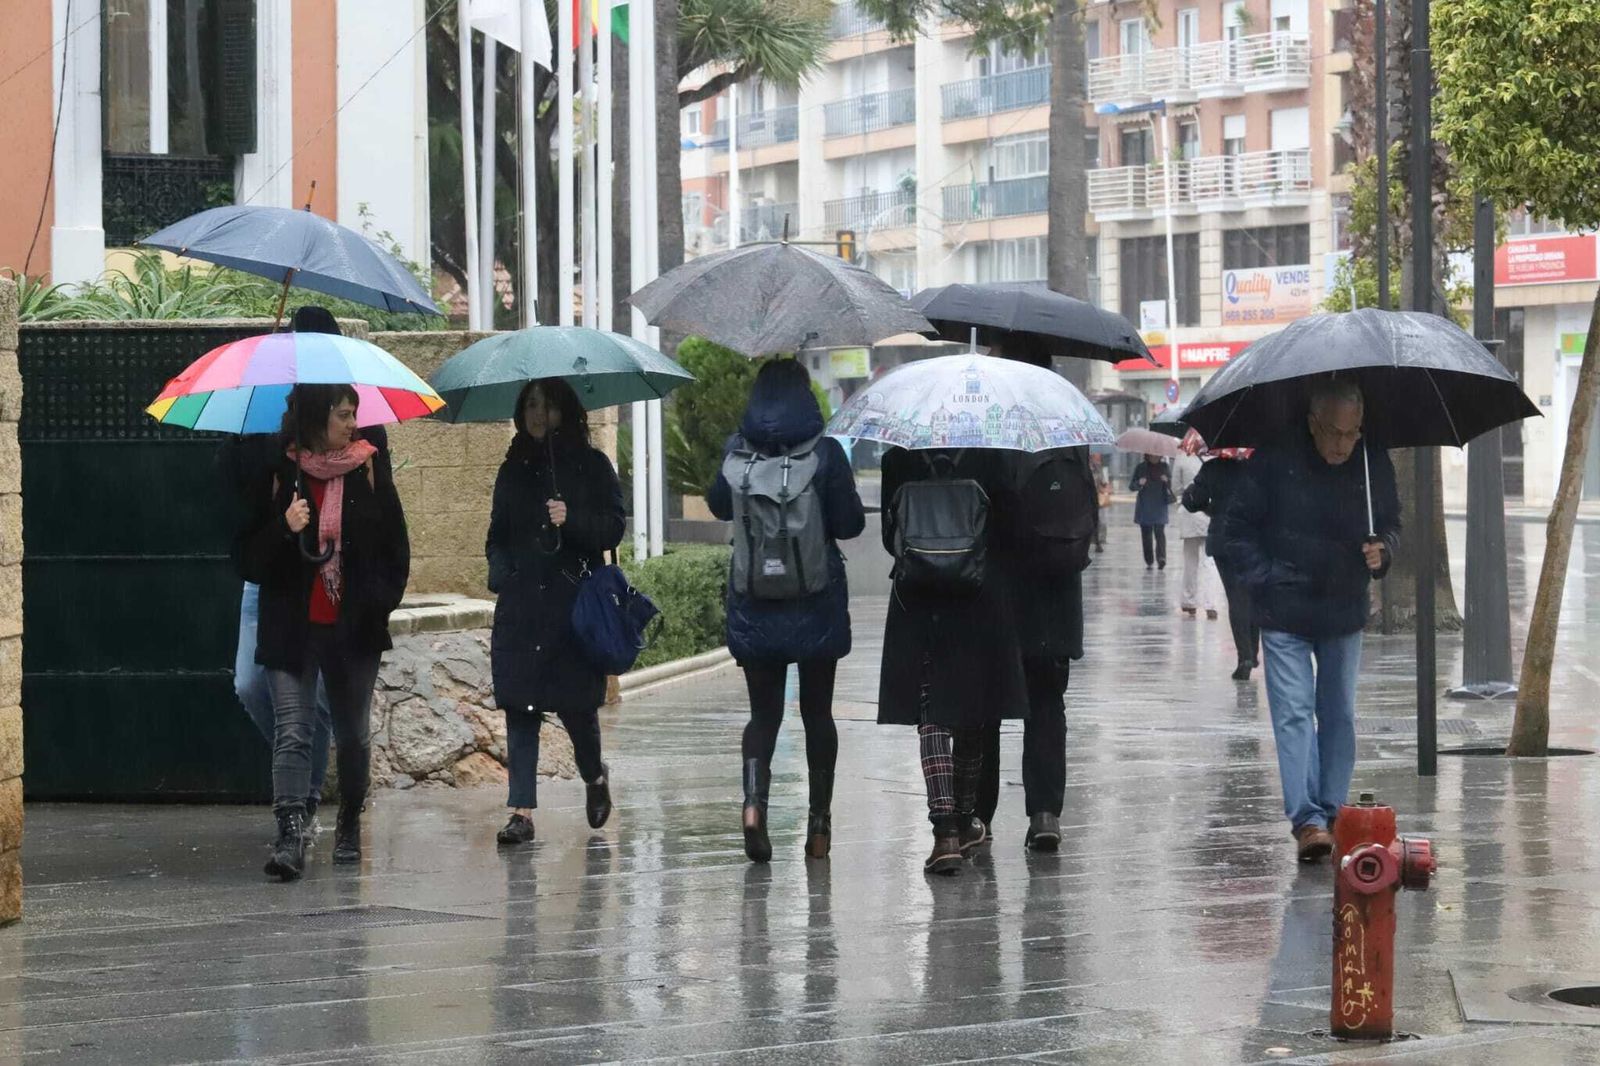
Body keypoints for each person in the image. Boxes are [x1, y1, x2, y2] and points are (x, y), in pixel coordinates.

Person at [1219, 379, 1399, 863]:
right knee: (1294, 712)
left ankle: (1335, 809)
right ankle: (1308, 820)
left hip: (1343, 607)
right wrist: (1268, 577)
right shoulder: (1275, 457)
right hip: (1286, 611)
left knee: (1337, 711)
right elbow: (1234, 531)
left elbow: (1392, 523)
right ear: (1314, 422)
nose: (1344, 444)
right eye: (1335, 433)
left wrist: (1384, 551)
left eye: (1352, 433)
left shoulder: (1368, 458)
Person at [239, 381, 410, 881]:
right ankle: (290, 834)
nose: (353, 423)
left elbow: (395, 550)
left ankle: (350, 823)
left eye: (354, 413)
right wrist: (283, 528)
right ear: (316, 418)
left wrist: (377, 605)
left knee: (353, 735)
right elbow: (246, 557)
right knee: (292, 731)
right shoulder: (280, 471)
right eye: (342, 414)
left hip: (351, 627)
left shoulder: (369, 465)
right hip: (293, 625)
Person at [707, 360, 865, 863]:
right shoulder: (825, 452)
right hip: (815, 603)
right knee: (816, 714)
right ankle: (819, 824)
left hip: (756, 602)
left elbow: (717, 505)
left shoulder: (739, 449)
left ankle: (754, 805)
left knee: (763, 716)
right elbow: (851, 524)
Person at [223, 307, 364, 835]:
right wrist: (254, 446)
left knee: (315, 702)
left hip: (328, 578)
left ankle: (300, 799)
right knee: (247, 684)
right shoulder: (269, 413)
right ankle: (298, 761)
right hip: (273, 575)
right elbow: (242, 498)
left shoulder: (353, 418)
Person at [487, 378, 626, 848]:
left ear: (565, 410)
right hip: (523, 606)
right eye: (529, 405)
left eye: (545, 405)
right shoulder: (512, 469)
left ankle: (594, 776)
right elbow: (497, 535)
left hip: (573, 609)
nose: (536, 414)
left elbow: (613, 528)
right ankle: (521, 811)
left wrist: (574, 520)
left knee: (576, 707)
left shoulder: (591, 465)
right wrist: (503, 574)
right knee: (521, 707)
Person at [877, 447, 1028, 875]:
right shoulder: (993, 456)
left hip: (918, 598)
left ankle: (943, 833)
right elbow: (1011, 529)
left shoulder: (898, 458)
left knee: (932, 714)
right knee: (971, 711)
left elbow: (892, 537)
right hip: (979, 596)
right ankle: (964, 823)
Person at [1181, 445, 1259, 680]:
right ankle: (1252, 652)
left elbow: (1190, 501)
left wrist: (1210, 507)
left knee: (1236, 596)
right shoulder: (1255, 467)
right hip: (1252, 537)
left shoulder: (1212, 468)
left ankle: (1244, 656)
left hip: (1224, 538)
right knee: (1252, 594)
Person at [1172, 447, 1221, 619]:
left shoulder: (1182, 456)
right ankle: (1211, 604)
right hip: (1209, 512)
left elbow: (1175, 487)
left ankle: (1189, 601)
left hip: (1189, 513)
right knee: (1210, 561)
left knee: (1190, 560)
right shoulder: (1215, 456)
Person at [1129, 453, 1171, 570]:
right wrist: (1139, 483)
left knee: (1160, 532)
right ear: (1147, 455)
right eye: (1152, 455)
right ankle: (1149, 560)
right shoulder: (1141, 467)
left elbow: (1171, 485)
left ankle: (1161, 558)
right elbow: (1131, 486)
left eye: (1157, 455)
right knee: (1146, 535)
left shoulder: (1165, 467)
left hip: (1160, 504)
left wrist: (1167, 480)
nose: (1155, 457)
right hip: (1145, 505)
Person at [1090, 452, 1111, 553]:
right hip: (1086, 497)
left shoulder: (1098, 468)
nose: (1098, 458)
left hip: (1097, 496)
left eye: (1098, 457)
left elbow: (1102, 481)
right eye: (1095, 456)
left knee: (1100, 519)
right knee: (1090, 519)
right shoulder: (1084, 467)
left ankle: (1099, 541)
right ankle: (1092, 540)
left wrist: (1105, 485)